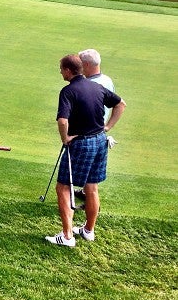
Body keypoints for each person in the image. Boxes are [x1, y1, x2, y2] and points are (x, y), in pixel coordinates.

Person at [45, 54, 125, 247]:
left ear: (68, 70)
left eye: (61, 68)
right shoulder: (97, 87)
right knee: (91, 187)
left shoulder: (68, 91)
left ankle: (67, 236)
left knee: (63, 187)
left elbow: (63, 120)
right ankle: (88, 230)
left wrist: (65, 138)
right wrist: (107, 128)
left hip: (81, 143)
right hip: (99, 141)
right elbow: (120, 104)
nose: (60, 72)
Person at [74, 48, 117, 202]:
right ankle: (86, 193)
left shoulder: (86, 85)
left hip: (87, 131)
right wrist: (107, 127)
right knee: (92, 173)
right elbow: (119, 104)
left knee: (84, 173)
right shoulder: (107, 80)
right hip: (99, 131)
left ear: (85, 65)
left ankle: (89, 202)